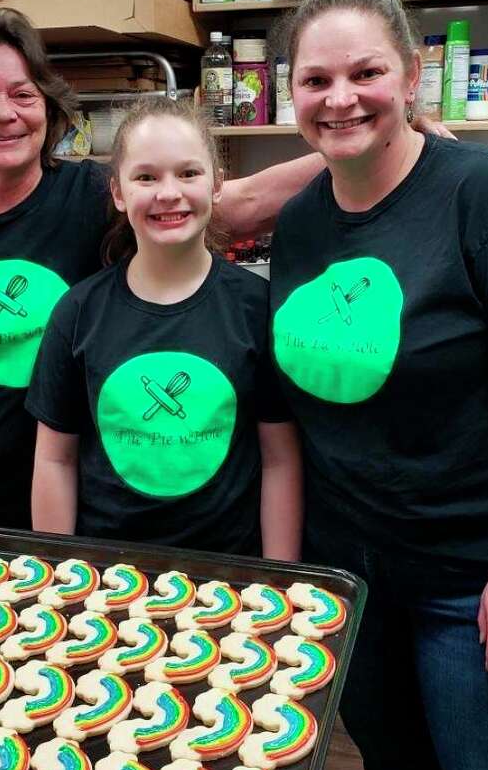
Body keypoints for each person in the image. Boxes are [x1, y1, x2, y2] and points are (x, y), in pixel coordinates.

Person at [0, 5, 449, 531]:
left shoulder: (91, 195)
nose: (3, 114)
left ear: (48, 106)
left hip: (98, 504)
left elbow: (226, 201)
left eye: (22, 94)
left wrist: (366, 142)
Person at [269, 0, 488, 770]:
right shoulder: (303, 221)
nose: (339, 97)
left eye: (365, 72)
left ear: (412, 78)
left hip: (473, 584)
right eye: (315, 80)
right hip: (351, 578)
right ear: (290, 93)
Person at [26, 97, 302, 558]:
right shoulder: (78, 313)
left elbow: (279, 460)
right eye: (146, 177)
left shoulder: (256, 309)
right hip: (107, 579)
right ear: (118, 192)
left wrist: (281, 577)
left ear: (217, 184)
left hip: (231, 576)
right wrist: (59, 576)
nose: (168, 192)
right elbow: (56, 459)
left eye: (188, 173)